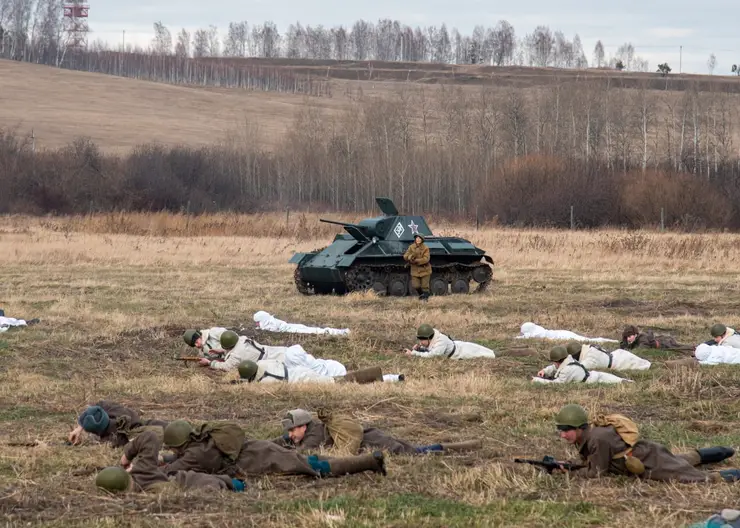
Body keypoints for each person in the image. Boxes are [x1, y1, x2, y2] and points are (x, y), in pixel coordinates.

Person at [551, 404, 739, 483]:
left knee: (694, 478)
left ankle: (731, 471)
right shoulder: (589, 435)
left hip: (648, 461)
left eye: (566, 430)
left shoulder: (597, 438)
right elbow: (594, 462)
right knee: (683, 460)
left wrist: (570, 472)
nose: (562, 435)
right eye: (561, 430)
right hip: (647, 454)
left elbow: (596, 472)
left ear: (578, 428)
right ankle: (722, 452)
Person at [160, 420, 387, 479]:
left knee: (313, 466)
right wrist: (167, 458)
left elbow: (173, 470)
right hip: (258, 448)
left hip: (259, 460)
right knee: (309, 459)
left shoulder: (196, 454)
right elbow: (183, 460)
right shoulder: (204, 440)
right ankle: (368, 462)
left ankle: (369, 462)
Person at [273, 408, 482, 455]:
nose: (290, 434)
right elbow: (287, 443)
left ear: (303, 426)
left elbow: (302, 453)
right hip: (373, 436)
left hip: (375, 441)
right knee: (417, 451)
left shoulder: (314, 436)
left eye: (292, 430)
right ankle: (461, 446)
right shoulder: (311, 431)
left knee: (417, 454)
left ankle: (464, 447)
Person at [94, 430, 245, 493]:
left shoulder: (145, 483)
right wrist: (127, 456)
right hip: (194, 480)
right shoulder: (143, 470)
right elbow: (149, 437)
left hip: (194, 479)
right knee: (229, 483)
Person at [197, 330, 346, 377]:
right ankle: (333, 368)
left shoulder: (236, 355)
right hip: (281, 351)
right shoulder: (242, 339)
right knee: (311, 362)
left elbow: (227, 366)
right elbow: (237, 350)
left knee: (309, 371)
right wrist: (223, 351)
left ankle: (335, 373)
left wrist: (210, 362)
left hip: (280, 362)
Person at [68, 400, 168, 448]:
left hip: (152, 434)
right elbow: (98, 406)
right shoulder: (114, 410)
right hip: (153, 424)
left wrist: (80, 428)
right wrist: (80, 427)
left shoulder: (112, 439)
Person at [233, 360, 403, 384]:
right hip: (299, 370)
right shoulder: (264, 363)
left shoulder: (266, 382)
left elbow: (256, 384)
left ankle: (385, 377)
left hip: (305, 378)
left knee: (342, 382)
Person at [533, 346, 632, 384]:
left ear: (557, 361)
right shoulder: (568, 361)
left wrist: (538, 380)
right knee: (619, 381)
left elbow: (557, 383)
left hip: (595, 379)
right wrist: (545, 371)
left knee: (620, 382)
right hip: (594, 376)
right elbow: (555, 368)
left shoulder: (567, 370)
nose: (553, 364)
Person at [405, 324, 497, 359]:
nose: (420, 342)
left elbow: (432, 355)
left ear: (429, 338)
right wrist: (420, 348)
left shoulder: (441, 342)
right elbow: (430, 348)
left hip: (461, 352)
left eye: (422, 340)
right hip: (456, 346)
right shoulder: (434, 339)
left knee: (486, 354)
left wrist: (414, 353)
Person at [565, 342, 651, 371]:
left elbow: (579, 368)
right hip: (618, 355)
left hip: (621, 362)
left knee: (643, 365)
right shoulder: (589, 349)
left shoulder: (590, 358)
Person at [403, 234, 432, 300]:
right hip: (415, 270)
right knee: (415, 285)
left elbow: (426, 259)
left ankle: (425, 299)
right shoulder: (411, 247)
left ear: (422, 240)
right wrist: (409, 257)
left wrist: (416, 261)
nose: (418, 239)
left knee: (425, 286)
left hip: (425, 269)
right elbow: (405, 256)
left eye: (419, 238)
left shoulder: (425, 248)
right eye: (417, 238)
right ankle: (421, 294)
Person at [620, 325, 691, 351]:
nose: (628, 339)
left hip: (664, 343)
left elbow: (642, 349)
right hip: (661, 340)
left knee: (680, 347)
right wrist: (625, 341)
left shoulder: (642, 338)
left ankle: (694, 348)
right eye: (626, 337)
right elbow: (624, 346)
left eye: (629, 336)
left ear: (635, 335)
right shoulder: (635, 340)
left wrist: (629, 349)